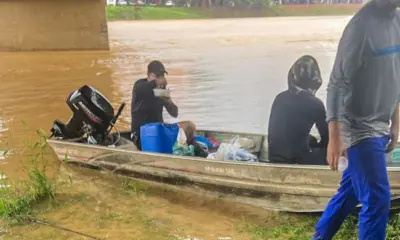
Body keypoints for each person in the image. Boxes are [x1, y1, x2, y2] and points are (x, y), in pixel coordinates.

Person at [312, 1, 400, 239]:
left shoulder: (397, 20)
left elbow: (395, 74)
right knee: (377, 198)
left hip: (381, 124)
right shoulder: (359, 28)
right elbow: (337, 84)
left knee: (349, 193)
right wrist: (335, 137)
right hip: (358, 127)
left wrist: (396, 122)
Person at [267, 55, 328, 165]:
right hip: (297, 160)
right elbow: (327, 138)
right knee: (331, 151)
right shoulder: (316, 104)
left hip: (274, 157)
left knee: (311, 140)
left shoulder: (280, 98)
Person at [131, 60, 178, 150]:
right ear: (148, 75)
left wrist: (168, 101)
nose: (160, 79)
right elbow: (142, 90)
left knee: (189, 126)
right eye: (156, 76)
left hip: (158, 131)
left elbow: (175, 113)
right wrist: (156, 82)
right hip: (140, 134)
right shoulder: (139, 85)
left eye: (162, 76)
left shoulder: (161, 91)